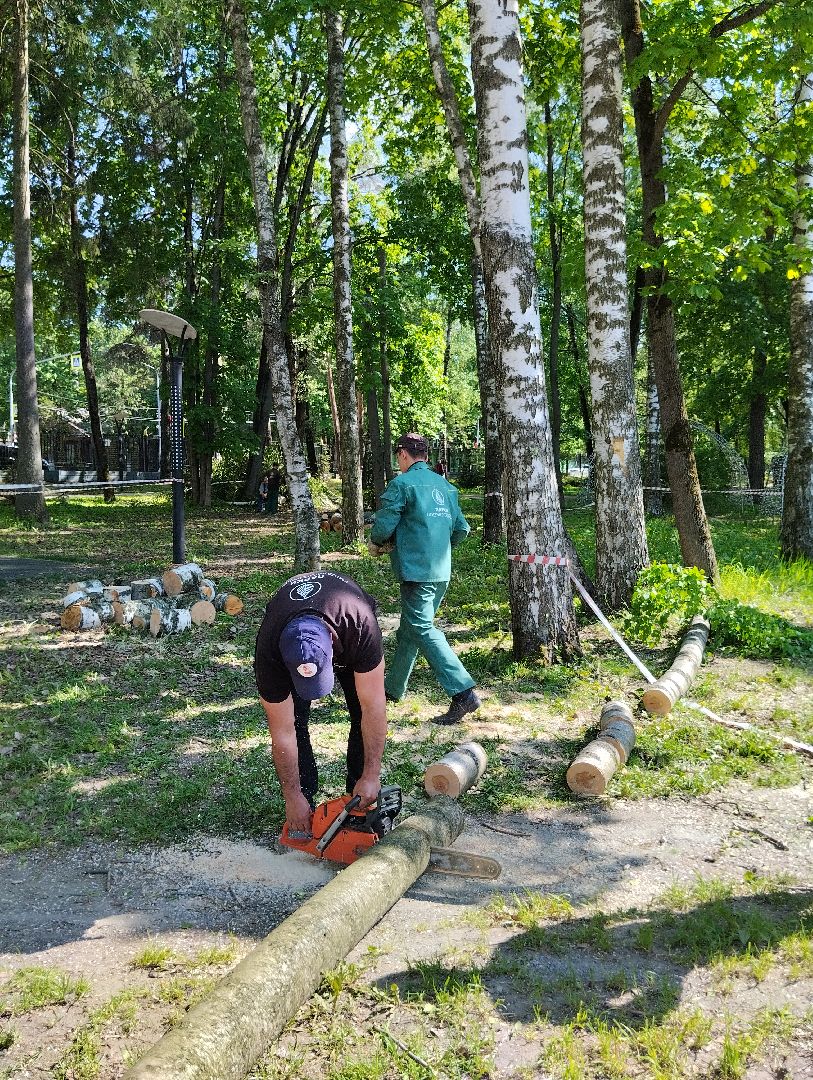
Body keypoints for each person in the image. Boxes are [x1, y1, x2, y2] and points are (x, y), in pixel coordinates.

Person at [254, 570, 387, 835]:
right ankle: (304, 804)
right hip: (287, 629)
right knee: (296, 722)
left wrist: (371, 774)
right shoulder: (269, 652)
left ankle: (359, 800)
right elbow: (283, 733)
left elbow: (374, 707)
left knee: (361, 710)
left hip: (348, 630)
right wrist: (292, 797)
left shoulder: (360, 623)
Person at [368, 432, 480, 725]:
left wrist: (379, 542)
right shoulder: (446, 487)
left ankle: (463, 692)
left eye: (398, 456)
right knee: (410, 628)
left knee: (421, 627)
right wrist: (438, 548)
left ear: (403, 454)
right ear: (426, 456)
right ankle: (392, 689)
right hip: (440, 570)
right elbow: (462, 529)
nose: (398, 461)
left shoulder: (401, 485)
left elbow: (382, 528)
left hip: (416, 572)